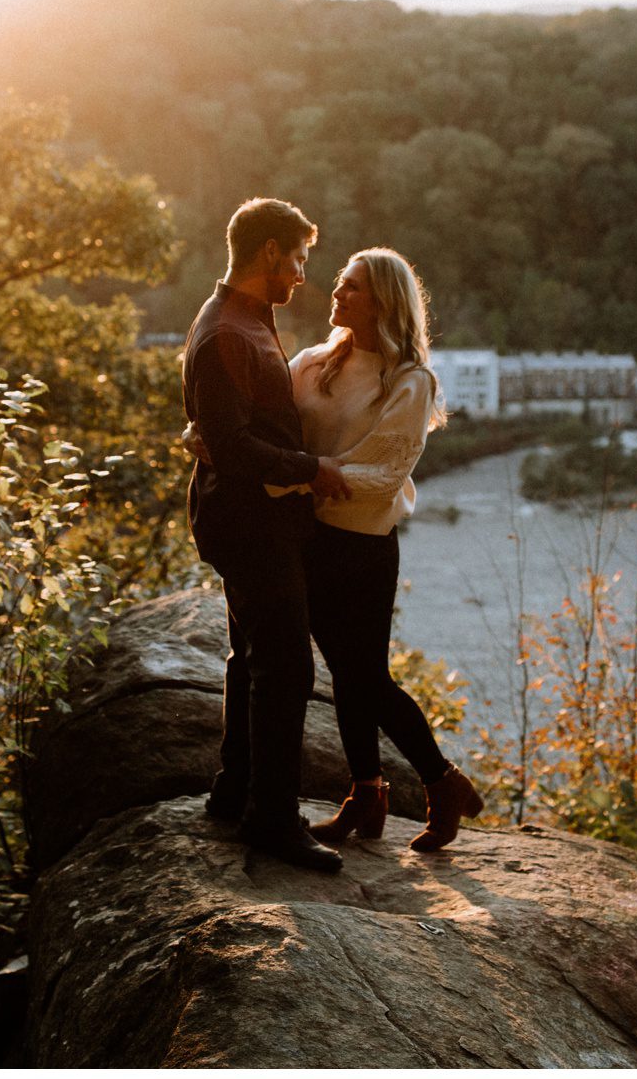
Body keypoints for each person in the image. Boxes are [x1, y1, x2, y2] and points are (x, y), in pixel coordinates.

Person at [189, 247, 484, 851]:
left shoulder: (410, 382)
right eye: (340, 285)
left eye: (351, 288)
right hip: (305, 535)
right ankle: (368, 793)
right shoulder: (314, 362)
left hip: (363, 544)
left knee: (363, 678)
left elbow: (381, 471)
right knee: (346, 678)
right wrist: (212, 433)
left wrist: (286, 475)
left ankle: (440, 781)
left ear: (384, 302)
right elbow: (260, 423)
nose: (335, 294)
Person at [181, 198, 353, 873]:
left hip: (243, 514)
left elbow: (223, 431)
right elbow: (233, 443)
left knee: (250, 653)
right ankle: (271, 820)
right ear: (271, 252)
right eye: (300, 259)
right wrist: (315, 470)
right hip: (247, 521)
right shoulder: (229, 331)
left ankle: (235, 789)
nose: (303, 275)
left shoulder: (243, 318)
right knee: (285, 666)